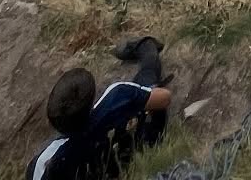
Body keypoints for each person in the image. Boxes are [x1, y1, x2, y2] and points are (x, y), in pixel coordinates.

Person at [26, 38, 171, 180]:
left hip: (101, 162)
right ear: (91, 101)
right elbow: (165, 98)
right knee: (147, 80)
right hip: (130, 149)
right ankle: (145, 45)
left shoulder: (44, 165)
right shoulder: (116, 98)